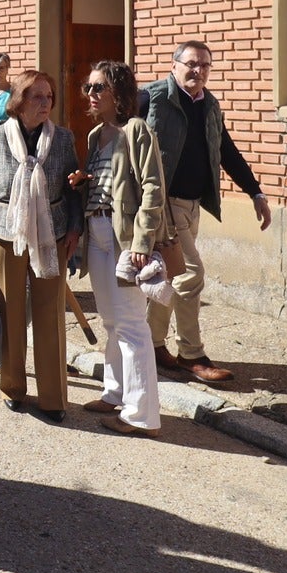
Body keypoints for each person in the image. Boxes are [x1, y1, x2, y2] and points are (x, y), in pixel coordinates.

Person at [138, 42, 272, 384]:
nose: (198, 71)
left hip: (193, 204)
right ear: (175, 65)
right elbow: (124, 140)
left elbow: (226, 149)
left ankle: (151, 346)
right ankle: (191, 353)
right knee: (190, 275)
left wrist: (254, 191)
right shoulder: (151, 97)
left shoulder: (210, 105)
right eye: (192, 64)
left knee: (168, 277)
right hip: (163, 206)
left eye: (205, 66)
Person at [0, 70, 81, 422]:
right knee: (10, 311)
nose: (45, 103)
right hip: (3, 234)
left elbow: (74, 185)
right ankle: (12, 388)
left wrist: (75, 229)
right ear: (19, 101)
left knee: (50, 315)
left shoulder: (62, 139)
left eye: (49, 96)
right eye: (36, 96)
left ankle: (53, 398)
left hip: (52, 235)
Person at [69, 62, 165, 436]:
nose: (90, 95)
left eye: (98, 88)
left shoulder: (136, 130)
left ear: (119, 94)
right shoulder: (96, 135)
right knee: (111, 321)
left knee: (131, 325)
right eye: (88, 87)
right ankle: (115, 393)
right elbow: (111, 181)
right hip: (97, 232)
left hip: (123, 235)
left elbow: (153, 186)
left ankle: (142, 416)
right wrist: (84, 181)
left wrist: (143, 242)